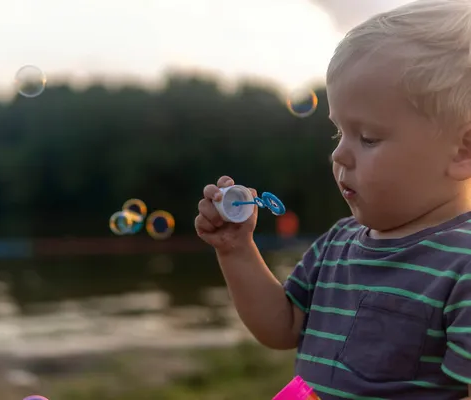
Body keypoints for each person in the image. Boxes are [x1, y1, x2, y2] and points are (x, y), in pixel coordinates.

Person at [194, 0, 471, 398]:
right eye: (338, 132)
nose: (339, 154)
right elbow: (282, 328)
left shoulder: (462, 265)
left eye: (368, 137)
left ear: (463, 149)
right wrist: (237, 250)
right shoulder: (337, 244)